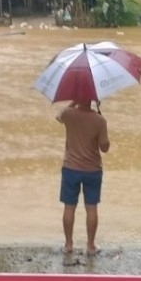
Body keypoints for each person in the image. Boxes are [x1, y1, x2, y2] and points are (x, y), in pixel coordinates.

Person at [56, 99, 110, 264]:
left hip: (70, 168)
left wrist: (74, 102)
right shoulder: (99, 120)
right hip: (92, 170)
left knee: (69, 207)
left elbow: (58, 116)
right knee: (91, 207)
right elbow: (104, 147)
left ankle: (68, 245)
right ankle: (90, 246)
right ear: (94, 98)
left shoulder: (69, 114)